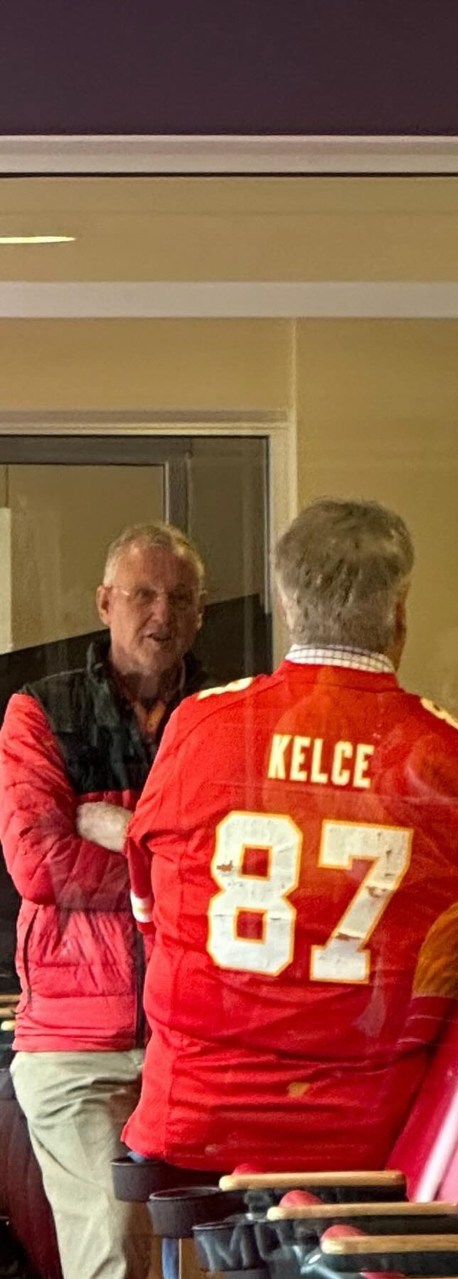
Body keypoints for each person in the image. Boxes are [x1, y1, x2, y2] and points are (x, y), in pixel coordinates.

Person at [121, 498, 458, 1174]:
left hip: (196, 1120)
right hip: (378, 1137)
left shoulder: (199, 727)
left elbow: (151, 910)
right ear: (399, 608)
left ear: (287, 604)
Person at [0, 522, 208, 1279]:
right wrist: (169, 863)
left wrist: (120, 832)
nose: (163, 614)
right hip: (76, 1044)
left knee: (214, 1254)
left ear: (201, 612)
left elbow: (237, 864)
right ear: (104, 602)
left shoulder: (220, 719)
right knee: (117, 1247)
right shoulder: (40, 711)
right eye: (144, 594)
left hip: (195, 1037)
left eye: (181, 598)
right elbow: (39, 865)